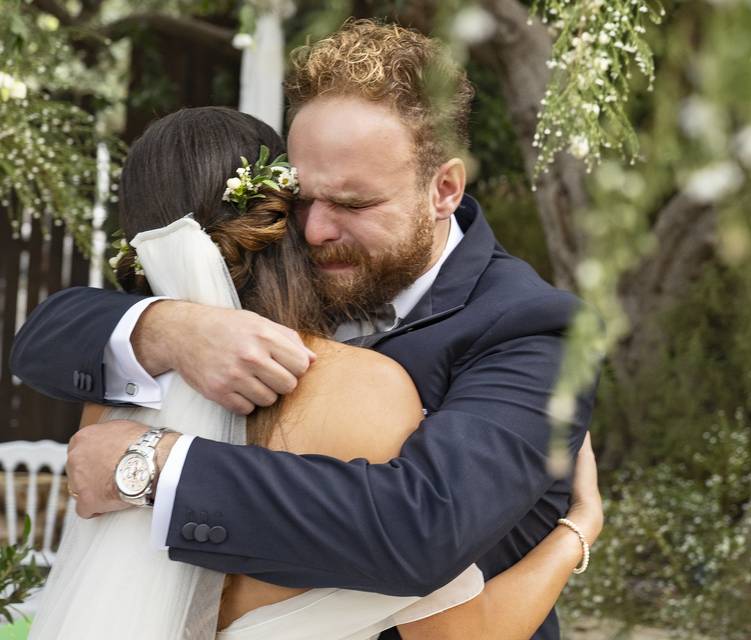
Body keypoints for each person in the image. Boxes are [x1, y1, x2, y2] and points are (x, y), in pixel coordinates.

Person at [11, 20, 598, 639]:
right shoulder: (301, 267)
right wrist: (169, 327)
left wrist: (157, 466)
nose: (314, 231)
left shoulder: (534, 330)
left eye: (352, 204)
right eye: (302, 200)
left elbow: (422, 528)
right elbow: (45, 341)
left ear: (443, 188)